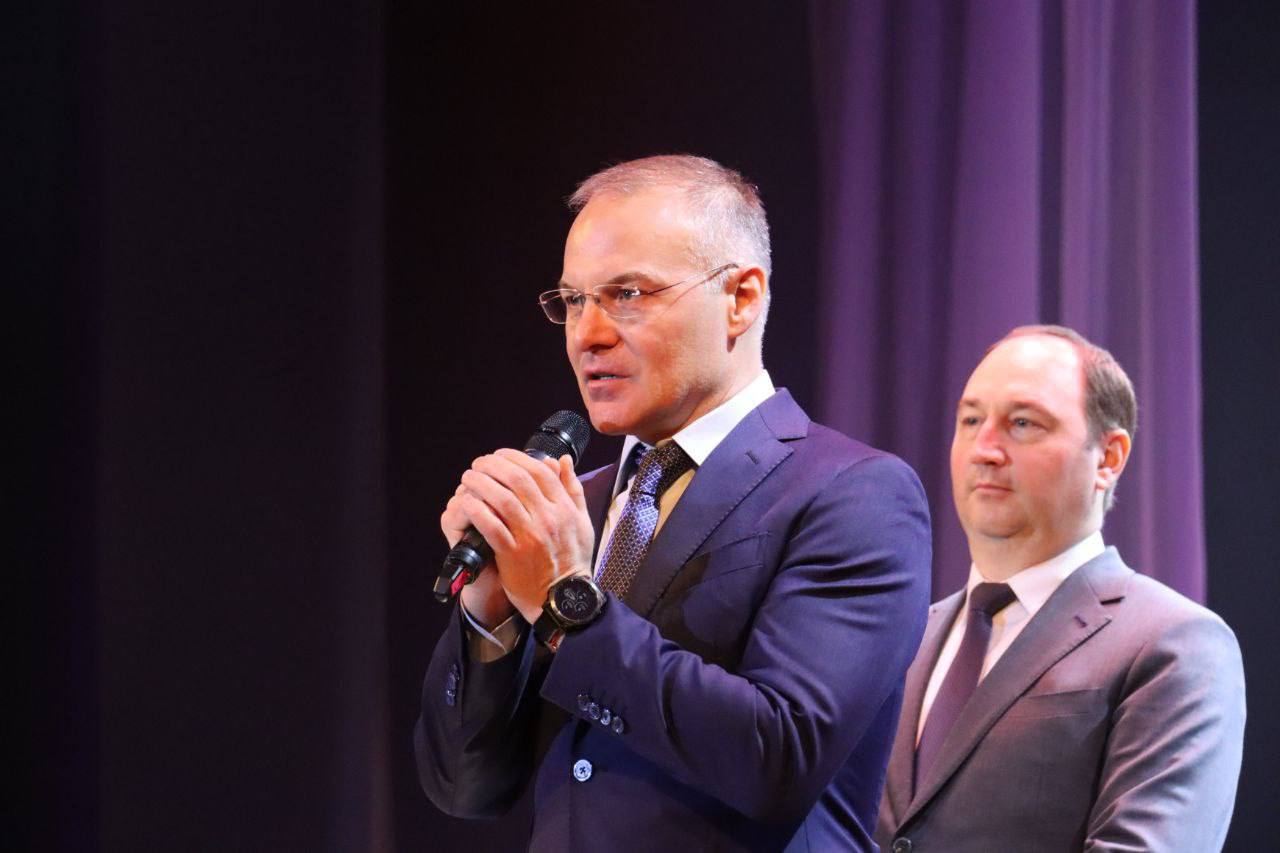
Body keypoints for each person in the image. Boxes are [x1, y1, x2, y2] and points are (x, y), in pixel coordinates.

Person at [414, 155, 932, 851]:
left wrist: (565, 602)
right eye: (573, 300)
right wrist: (493, 615)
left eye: (627, 293)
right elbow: (464, 788)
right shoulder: (576, 508)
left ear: (741, 298)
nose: (587, 333)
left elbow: (779, 754)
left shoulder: (854, 493)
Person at [875, 326, 1246, 853]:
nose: (984, 449)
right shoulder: (905, 636)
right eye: (971, 420)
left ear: (1108, 458)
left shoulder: (1176, 644)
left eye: (1023, 423)